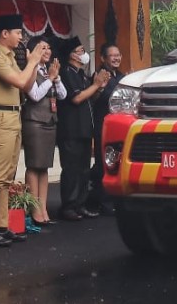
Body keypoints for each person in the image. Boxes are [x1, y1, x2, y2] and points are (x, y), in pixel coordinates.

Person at [0, 14, 46, 247]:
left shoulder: (8, 56)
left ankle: (1, 226)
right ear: (4, 33)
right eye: (18, 32)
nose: (20, 37)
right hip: (0, 116)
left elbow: (27, 85)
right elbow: (18, 81)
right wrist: (31, 62)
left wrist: (34, 64)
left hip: (13, 115)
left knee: (7, 177)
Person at [57, 38, 111, 222]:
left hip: (85, 128)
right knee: (71, 169)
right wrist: (95, 85)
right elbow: (77, 98)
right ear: (72, 54)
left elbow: (89, 97)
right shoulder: (66, 72)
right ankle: (69, 206)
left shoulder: (81, 73)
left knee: (83, 169)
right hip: (71, 129)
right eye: (80, 50)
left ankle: (80, 204)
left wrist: (99, 87)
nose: (84, 53)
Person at [21, 37, 65, 226]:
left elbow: (63, 95)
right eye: (42, 48)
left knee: (45, 166)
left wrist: (56, 78)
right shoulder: (29, 70)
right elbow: (35, 95)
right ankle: (35, 210)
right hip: (35, 122)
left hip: (50, 121)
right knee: (34, 165)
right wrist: (50, 79)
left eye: (48, 48)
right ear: (33, 53)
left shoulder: (49, 71)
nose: (47, 51)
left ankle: (44, 208)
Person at [87, 43, 123, 215]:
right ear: (103, 58)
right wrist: (99, 87)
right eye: (112, 55)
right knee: (104, 164)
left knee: (118, 162)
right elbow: (93, 98)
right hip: (104, 126)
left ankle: (114, 199)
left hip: (120, 127)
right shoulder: (99, 75)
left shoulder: (121, 76)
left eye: (118, 55)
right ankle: (103, 202)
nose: (116, 58)